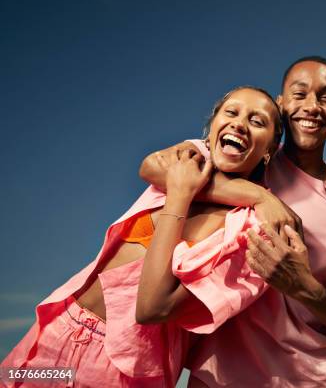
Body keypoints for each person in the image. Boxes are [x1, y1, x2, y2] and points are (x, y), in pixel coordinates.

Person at [0, 86, 281, 387]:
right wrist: (252, 193)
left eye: (257, 121)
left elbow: (153, 308)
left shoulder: (251, 229)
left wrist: (180, 193)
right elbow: (148, 166)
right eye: (231, 111)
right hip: (57, 331)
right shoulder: (190, 159)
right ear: (212, 128)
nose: (239, 123)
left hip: (126, 369)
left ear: (270, 150)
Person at [140, 56, 326, 387]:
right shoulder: (241, 156)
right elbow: (155, 167)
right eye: (299, 94)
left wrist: (304, 288)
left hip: (312, 379)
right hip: (215, 377)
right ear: (281, 103)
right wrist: (261, 197)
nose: (312, 106)